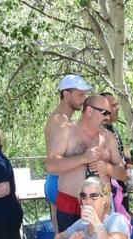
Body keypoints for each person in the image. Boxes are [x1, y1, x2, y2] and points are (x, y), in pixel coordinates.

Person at [45, 94, 125, 232]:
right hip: (70, 206)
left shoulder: (108, 137)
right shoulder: (67, 131)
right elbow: (50, 165)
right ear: (89, 111)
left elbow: (123, 174)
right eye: (104, 113)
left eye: (109, 113)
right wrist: (82, 158)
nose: (108, 117)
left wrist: (108, 168)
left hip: (101, 207)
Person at [44, 75, 93, 228]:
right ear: (66, 94)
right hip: (60, 181)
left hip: (59, 181)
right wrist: (84, 157)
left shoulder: (63, 119)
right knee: (68, 238)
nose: (83, 99)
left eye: (85, 94)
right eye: (80, 94)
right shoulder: (61, 121)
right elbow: (54, 160)